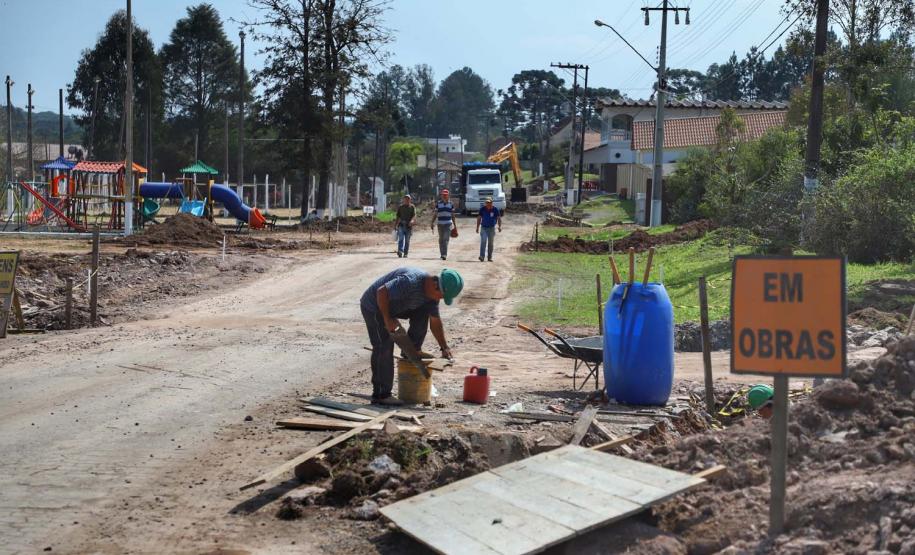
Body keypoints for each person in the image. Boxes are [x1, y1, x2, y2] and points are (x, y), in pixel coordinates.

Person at [360, 267, 464, 405]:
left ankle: (411, 350)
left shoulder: (432, 297)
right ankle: (381, 395)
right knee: (384, 345)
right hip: (375, 305)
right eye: (442, 296)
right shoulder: (410, 282)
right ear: (435, 285)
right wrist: (387, 319)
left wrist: (444, 347)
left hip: (396, 306)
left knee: (424, 313)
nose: (440, 299)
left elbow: (435, 321)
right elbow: (381, 292)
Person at [431, 189, 457, 260]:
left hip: (448, 224)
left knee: (445, 239)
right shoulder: (438, 204)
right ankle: (442, 254)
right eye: (443, 195)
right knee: (441, 239)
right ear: (441, 196)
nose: (445, 196)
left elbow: (453, 215)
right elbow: (435, 214)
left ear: (448, 196)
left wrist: (455, 225)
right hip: (440, 224)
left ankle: (444, 255)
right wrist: (432, 222)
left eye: (446, 195)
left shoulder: (451, 204)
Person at [475, 197, 502, 262]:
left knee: (490, 243)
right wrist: (477, 227)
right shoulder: (482, 209)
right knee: (483, 241)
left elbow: (498, 218)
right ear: (485, 203)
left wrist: (499, 226)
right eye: (487, 203)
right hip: (484, 227)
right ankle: (482, 256)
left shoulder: (495, 209)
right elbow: (479, 218)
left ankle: (489, 257)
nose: (488, 204)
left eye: (489, 202)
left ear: (492, 203)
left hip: (491, 228)